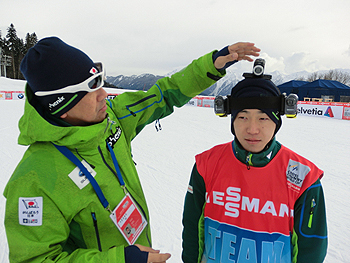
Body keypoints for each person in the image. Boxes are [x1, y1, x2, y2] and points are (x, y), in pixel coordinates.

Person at [3, 36, 260, 263]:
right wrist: (120, 260)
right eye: (91, 88)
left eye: (99, 81)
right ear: (62, 105)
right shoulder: (34, 180)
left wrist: (211, 65)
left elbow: (164, 94)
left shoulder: (113, 118)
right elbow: (35, 259)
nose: (104, 94)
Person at [181, 62, 328, 263]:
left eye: (263, 118)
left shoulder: (304, 178)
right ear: (232, 119)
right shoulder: (206, 165)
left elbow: (312, 250)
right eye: (242, 116)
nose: (252, 129)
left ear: (276, 122)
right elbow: (191, 231)